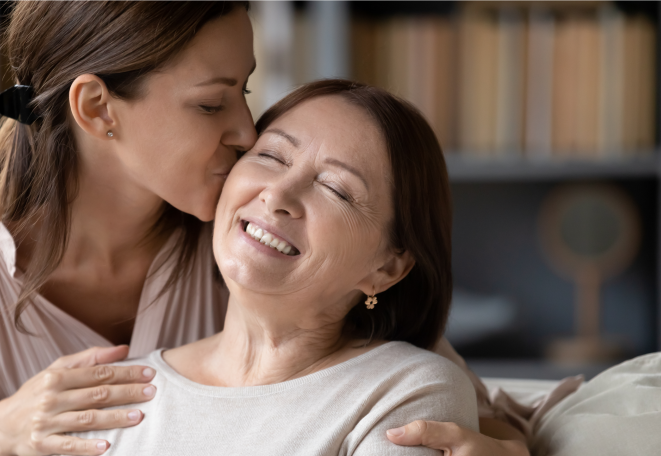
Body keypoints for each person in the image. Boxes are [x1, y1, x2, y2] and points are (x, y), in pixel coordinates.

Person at [0, 2, 566, 456]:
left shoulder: (248, 232)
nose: (246, 131)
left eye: (244, 90)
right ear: (97, 109)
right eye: (212, 103)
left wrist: (499, 440)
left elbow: (446, 398)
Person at [71, 78, 480, 455]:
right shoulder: (113, 394)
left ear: (387, 268)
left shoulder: (407, 391)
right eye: (270, 156)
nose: (279, 194)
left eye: (336, 189)